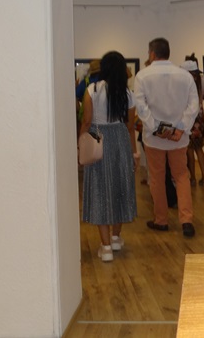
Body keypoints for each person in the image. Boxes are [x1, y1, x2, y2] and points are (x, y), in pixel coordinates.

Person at [134, 37, 199, 237]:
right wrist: (181, 128)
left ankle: (161, 220)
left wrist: (156, 128)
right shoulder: (185, 76)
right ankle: (186, 220)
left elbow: (141, 107)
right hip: (179, 138)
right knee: (181, 176)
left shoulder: (142, 76)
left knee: (157, 178)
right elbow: (193, 105)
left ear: (152, 54)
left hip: (154, 138)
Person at [79, 51, 138, 262]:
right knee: (120, 188)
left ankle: (105, 248)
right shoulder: (128, 93)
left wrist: (79, 144)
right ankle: (115, 238)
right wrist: (134, 153)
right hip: (121, 141)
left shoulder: (92, 90)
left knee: (100, 190)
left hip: (99, 141)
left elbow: (87, 121)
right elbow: (130, 127)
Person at [181, 55, 204, 187]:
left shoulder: (185, 80)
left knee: (189, 149)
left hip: (189, 115)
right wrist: (200, 97)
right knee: (199, 148)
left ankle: (192, 178)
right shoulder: (203, 78)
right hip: (200, 115)